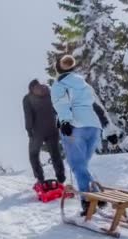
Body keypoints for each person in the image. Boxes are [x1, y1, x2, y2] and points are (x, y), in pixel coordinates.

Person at [51, 55, 105, 216]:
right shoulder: (84, 84)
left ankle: (89, 201)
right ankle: (96, 195)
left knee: (78, 166)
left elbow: (61, 103)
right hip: (94, 127)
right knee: (83, 166)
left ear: (58, 69)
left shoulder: (60, 83)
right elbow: (97, 105)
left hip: (75, 126)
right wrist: (108, 128)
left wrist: (65, 121)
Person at [23, 79, 66, 186]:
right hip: (52, 129)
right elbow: (58, 109)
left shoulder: (28, 98)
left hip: (37, 132)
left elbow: (28, 116)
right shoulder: (49, 93)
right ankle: (61, 177)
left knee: (33, 154)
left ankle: (40, 179)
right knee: (55, 153)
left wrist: (29, 130)